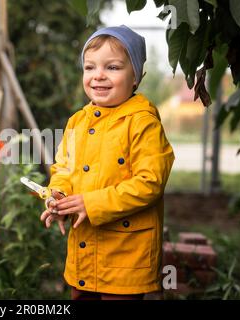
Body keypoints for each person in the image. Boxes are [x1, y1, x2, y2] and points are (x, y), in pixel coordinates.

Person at [40, 25, 175, 300]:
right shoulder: (77, 121)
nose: (98, 75)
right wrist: (59, 195)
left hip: (127, 253)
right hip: (84, 247)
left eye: (112, 67)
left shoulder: (142, 122)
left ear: (135, 76)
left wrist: (91, 204)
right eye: (89, 68)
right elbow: (64, 168)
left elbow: (150, 183)